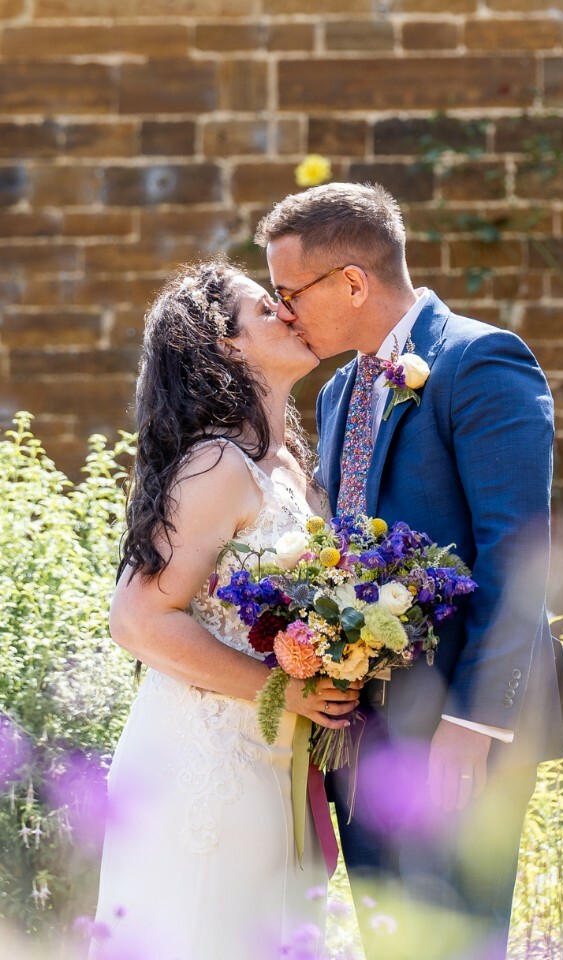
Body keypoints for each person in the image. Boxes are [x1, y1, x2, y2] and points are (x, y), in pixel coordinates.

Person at [255, 183, 563, 959]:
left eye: (288, 293)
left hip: (464, 726)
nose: (285, 314)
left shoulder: (481, 362)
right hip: (365, 733)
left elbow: (518, 554)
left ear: (353, 283)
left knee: (458, 941)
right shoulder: (338, 391)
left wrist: (473, 725)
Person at [89, 258, 362, 960]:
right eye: (265, 309)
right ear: (225, 346)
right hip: (202, 762)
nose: (289, 311)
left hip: (277, 757)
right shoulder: (215, 467)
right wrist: (287, 691)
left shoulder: (290, 470)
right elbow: (139, 620)